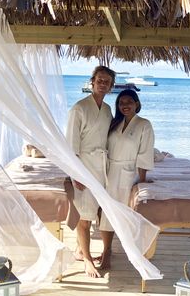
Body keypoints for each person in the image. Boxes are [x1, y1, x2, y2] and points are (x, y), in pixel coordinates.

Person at [66, 65, 116, 278]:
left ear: (111, 86)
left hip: (101, 167)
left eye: (107, 81)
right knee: (84, 217)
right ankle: (87, 259)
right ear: (92, 82)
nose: (103, 84)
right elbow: (70, 145)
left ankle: (88, 250)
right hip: (84, 166)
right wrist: (75, 173)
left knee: (100, 212)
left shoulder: (107, 110)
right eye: (100, 80)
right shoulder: (78, 109)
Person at [99, 89, 155, 269]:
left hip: (129, 174)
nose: (125, 105)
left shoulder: (144, 125)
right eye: (121, 102)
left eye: (129, 102)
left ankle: (134, 249)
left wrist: (142, 180)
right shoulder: (114, 123)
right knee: (106, 212)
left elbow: (145, 154)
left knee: (127, 214)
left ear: (137, 104)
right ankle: (107, 250)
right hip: (108, 171)